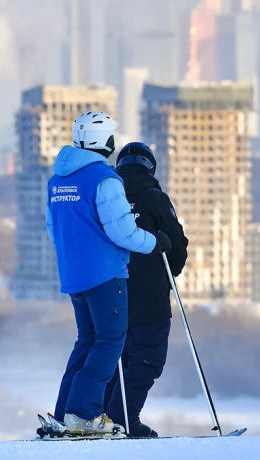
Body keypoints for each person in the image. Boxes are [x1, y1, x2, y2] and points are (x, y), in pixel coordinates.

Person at [45, 111, 172, 436]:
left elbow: (53, 228)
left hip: (73, 275)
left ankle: (65, 415)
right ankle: (84, 415)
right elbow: (124, 233)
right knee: (109, 343)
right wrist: (155, 242)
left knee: (86, 342)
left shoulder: (58, 180)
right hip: (105, 275)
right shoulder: (104, 179)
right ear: (108, 142)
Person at [104, 142, 188, 438]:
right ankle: (123, 420)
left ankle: (105, 419)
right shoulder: (154, 197)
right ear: (150, 167)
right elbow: (176, 242)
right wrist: (172, 270)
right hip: (150, 294)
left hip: (111, 291)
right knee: (147, 358)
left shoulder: (106, 197)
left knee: (117, 358)